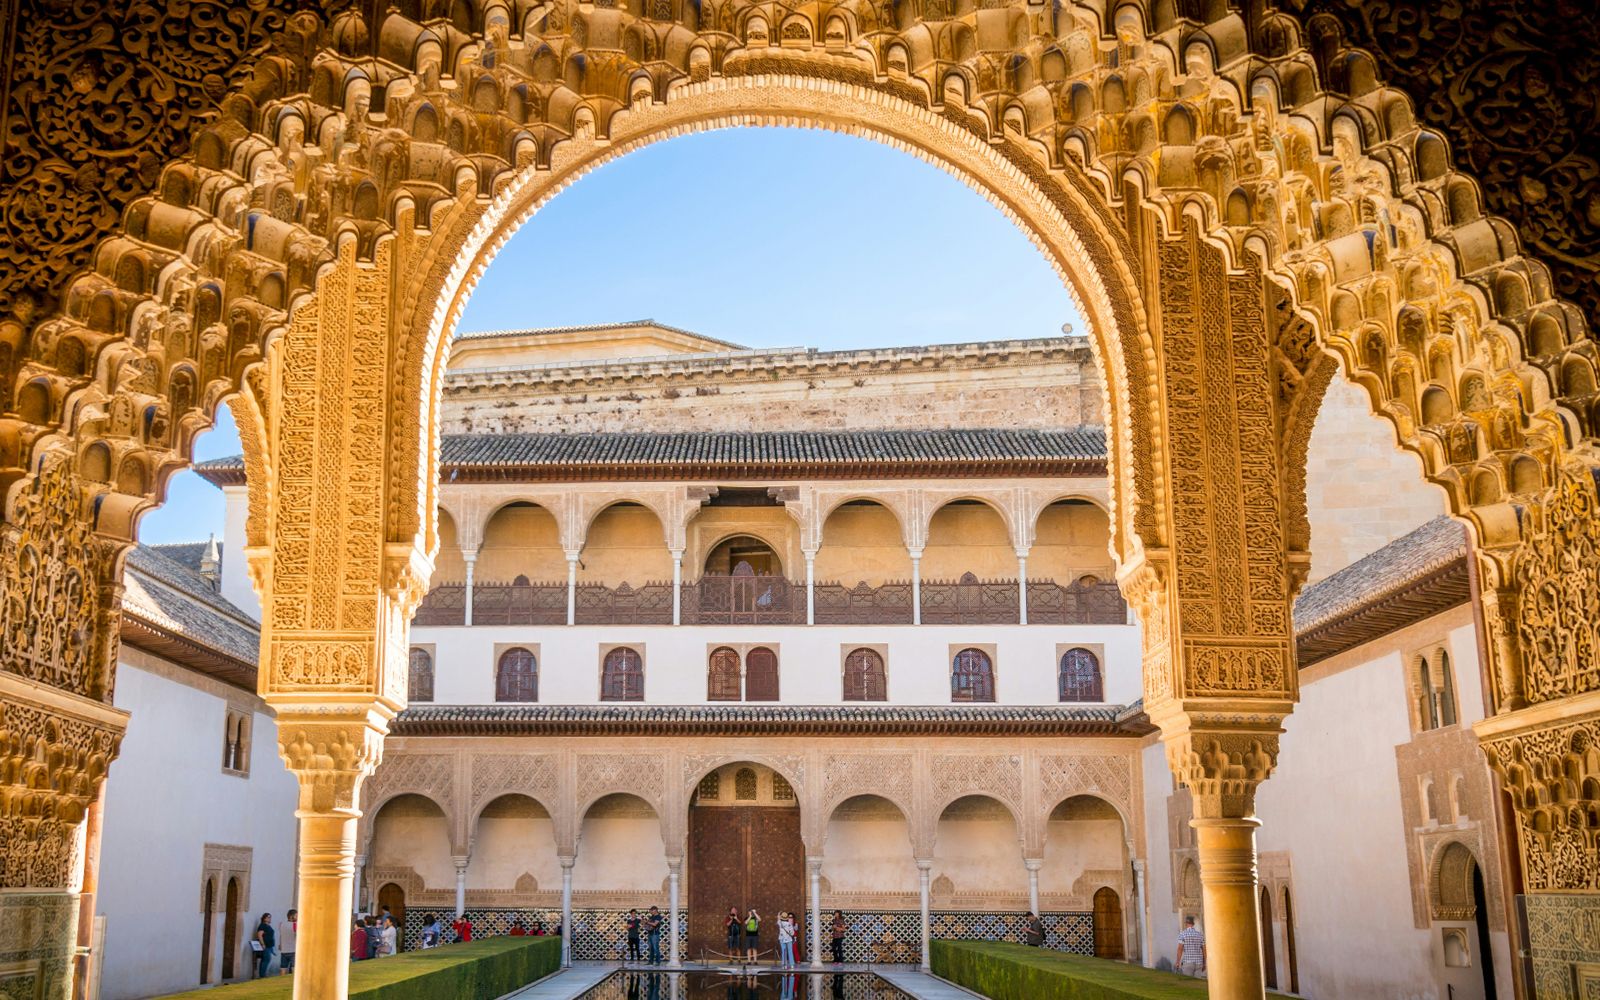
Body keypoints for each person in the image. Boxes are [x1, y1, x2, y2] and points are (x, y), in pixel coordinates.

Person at [252, 913, 275, 979]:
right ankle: (262, 975)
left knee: (267, 959)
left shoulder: (268, 926)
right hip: (265, 946)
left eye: (270, 917)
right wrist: (262, 944)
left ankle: (263, 974)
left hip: (269, 946)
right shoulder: (262, 926)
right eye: (268, 917)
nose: (269, 918)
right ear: (264, 918)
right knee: (265, 959)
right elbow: (259, 935)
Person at [277, 909, 297, 974]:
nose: (297, 917)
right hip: (293, 949)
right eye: (296, 915)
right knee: (294, 968)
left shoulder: (281, 924)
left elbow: (281, 935)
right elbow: (296, 936)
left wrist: (280, 944)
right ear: (291, 916)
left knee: (283, 968)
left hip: (284, 950)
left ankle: (281, 982)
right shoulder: (295, 924)